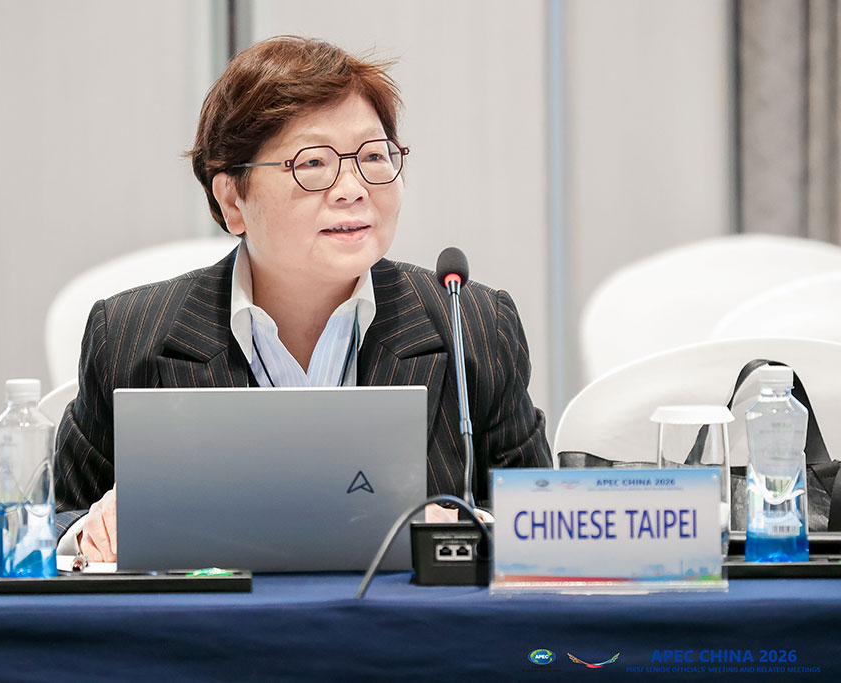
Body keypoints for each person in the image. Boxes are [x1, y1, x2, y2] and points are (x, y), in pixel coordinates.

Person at [55, 36, 551, 562]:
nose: (353, 188)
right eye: (313, 164)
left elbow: (547, 526)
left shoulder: (472, 323)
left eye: (373, 156)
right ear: (232, 200)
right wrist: (90, 528)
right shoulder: (129, 335)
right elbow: (52, 518)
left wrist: (468, 528)